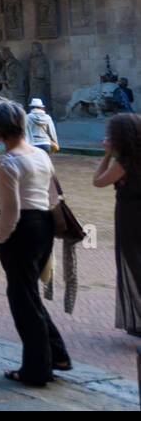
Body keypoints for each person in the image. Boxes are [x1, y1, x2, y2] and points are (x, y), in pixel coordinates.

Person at [0, 101, 71, 386]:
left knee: (22, 300)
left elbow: (10, 209)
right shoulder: (39, 155)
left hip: (20, 230)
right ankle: (56, 355)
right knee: (29, 295)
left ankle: (36, 370)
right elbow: (51, 197)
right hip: (43, 225)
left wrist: (1, 237)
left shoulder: (8, 162)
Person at [92, 113, 141, 337]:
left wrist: (107, 155)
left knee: (135, 265)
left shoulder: (123, 164)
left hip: (131, 218)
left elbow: (98, 181)